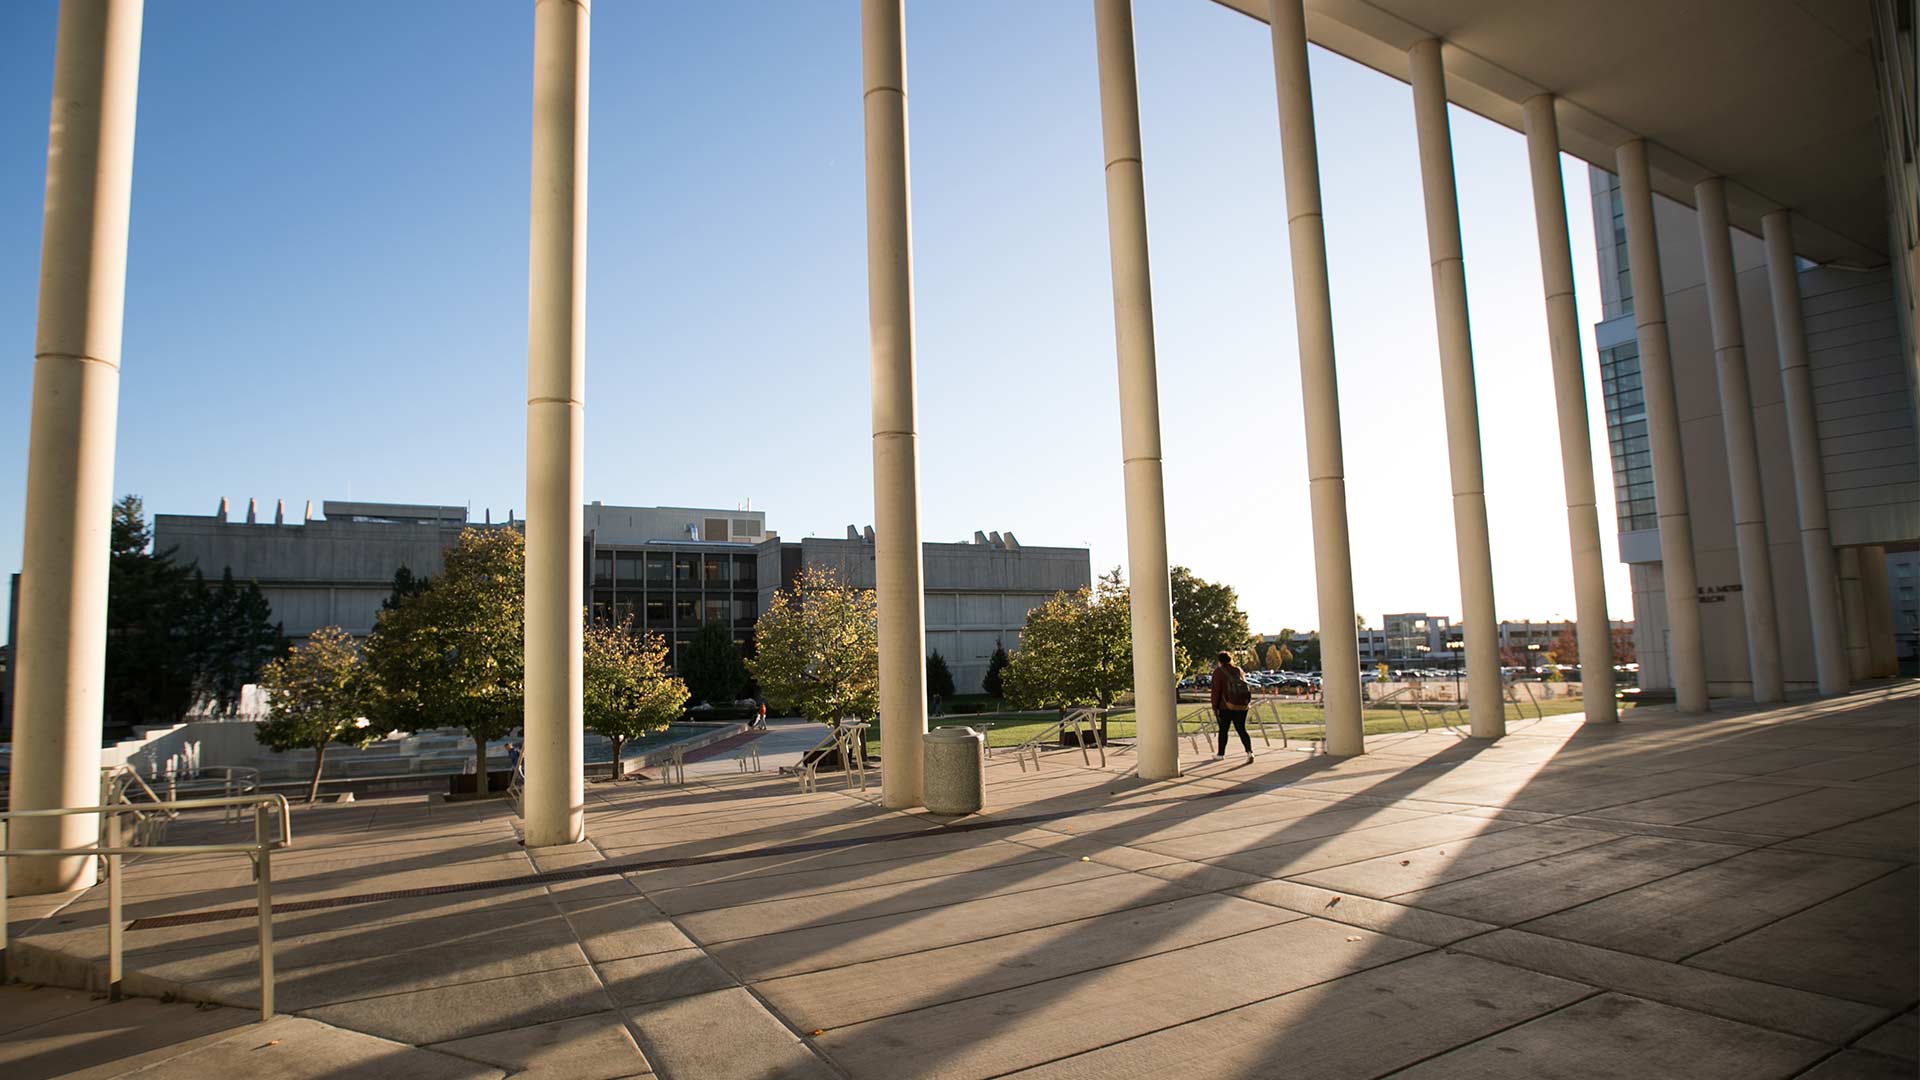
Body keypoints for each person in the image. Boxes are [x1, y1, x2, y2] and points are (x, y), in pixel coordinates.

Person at [1209, 651, 1254, 764]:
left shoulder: (1218, 672)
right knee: (1241, 729)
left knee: (1224, 730)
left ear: (1219, 661)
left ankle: (1221, 754)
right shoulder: (1238, 670)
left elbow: (1216, 690)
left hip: (1225, 706)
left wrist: (1214, 706)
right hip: (1241, 705)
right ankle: (1249, 752)